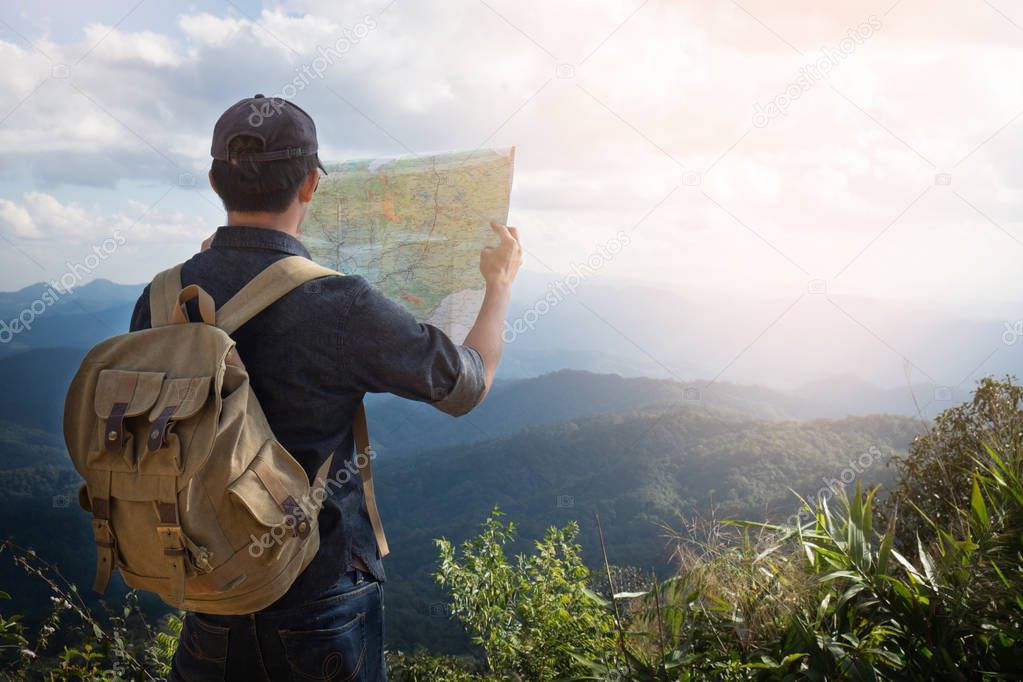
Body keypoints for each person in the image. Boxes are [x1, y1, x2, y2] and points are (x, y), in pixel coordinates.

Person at [128, 94, 522, 681]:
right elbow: (467, 386)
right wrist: (499, 288)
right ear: (312, 184)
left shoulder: (161, 298)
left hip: (209, 588)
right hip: (321, 597)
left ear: (214, 181)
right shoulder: (340, 303)